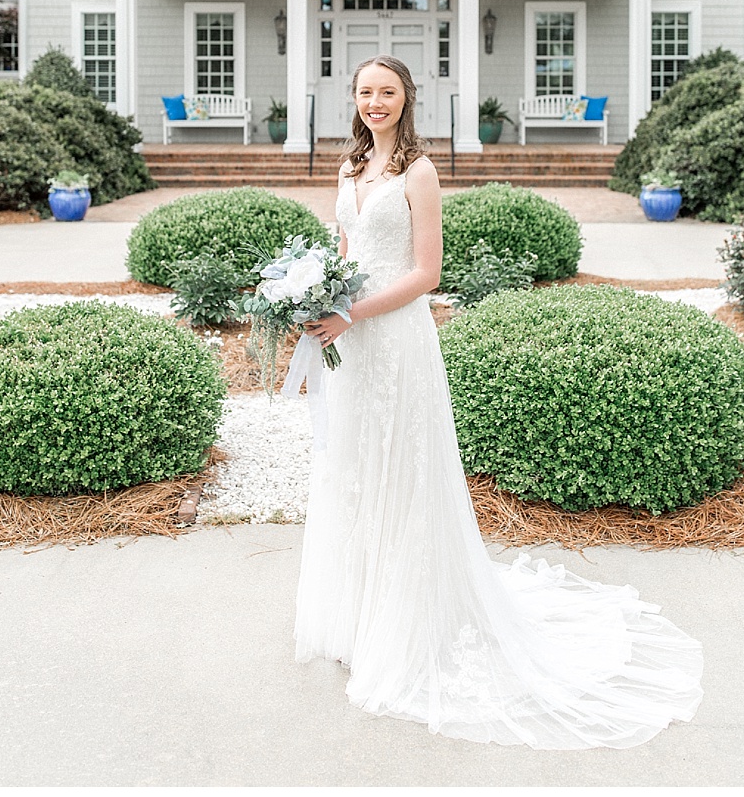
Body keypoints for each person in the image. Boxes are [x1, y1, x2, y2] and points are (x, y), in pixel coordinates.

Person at [294, 55, 702, 747]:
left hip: (395, 341)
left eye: (386, 91)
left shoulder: (418, 173)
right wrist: (318, 303)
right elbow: (344, 252)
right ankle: (359, 615)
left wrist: (352, 314)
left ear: (407, 99)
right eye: (364, 91)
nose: (374, 102)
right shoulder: (345, 170)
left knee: (403, 475)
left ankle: (408, 622)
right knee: (355, 471)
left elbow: (427, 272)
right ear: (354, 99)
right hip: (352, 349)